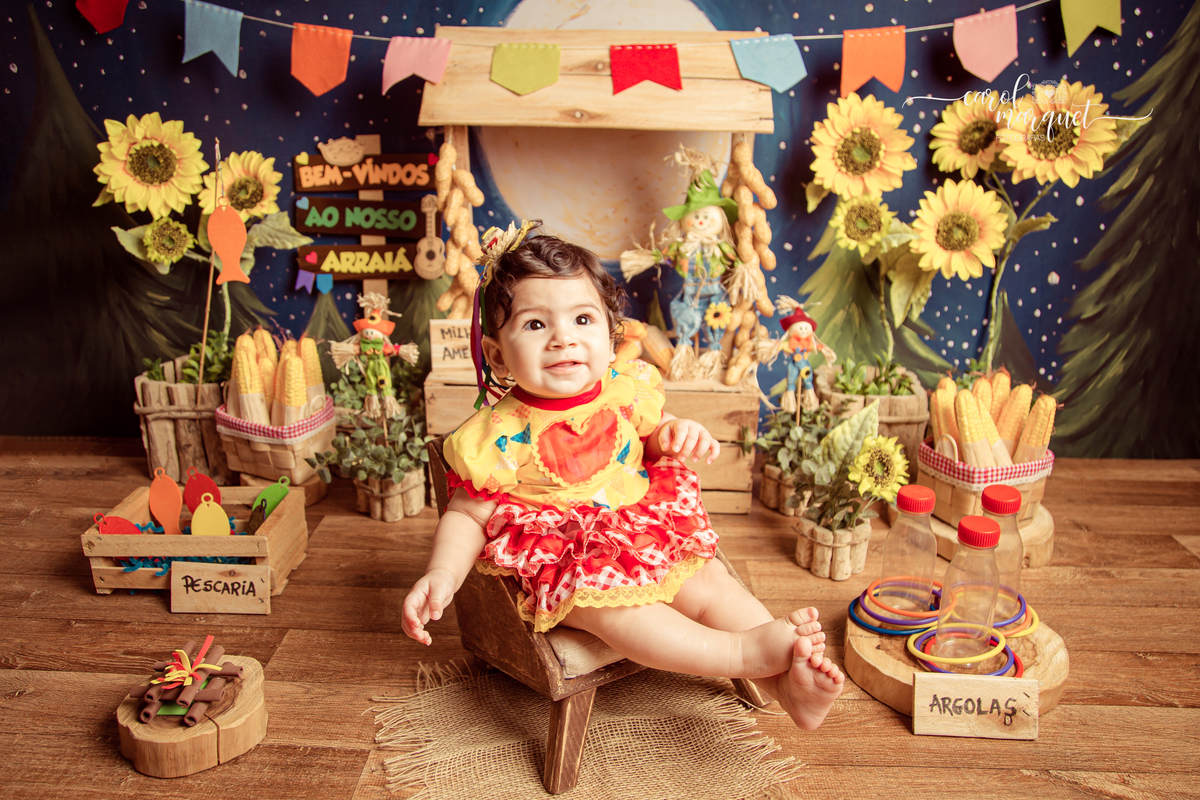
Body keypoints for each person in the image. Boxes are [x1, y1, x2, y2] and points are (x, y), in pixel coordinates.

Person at [401, 223, 844, 731]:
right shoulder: (497, 434)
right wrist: (442, 574)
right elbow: (468, 513)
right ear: (497, 353)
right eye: (535, 325)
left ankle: (787, 685)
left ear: (611, 340)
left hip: (641, 526)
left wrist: (673, 435)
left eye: (582, 318)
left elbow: (647, 442)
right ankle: (742, 655)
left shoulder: (625, 390)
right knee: (621, 614)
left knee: (710, 583)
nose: (563, 337)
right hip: (569, 558)